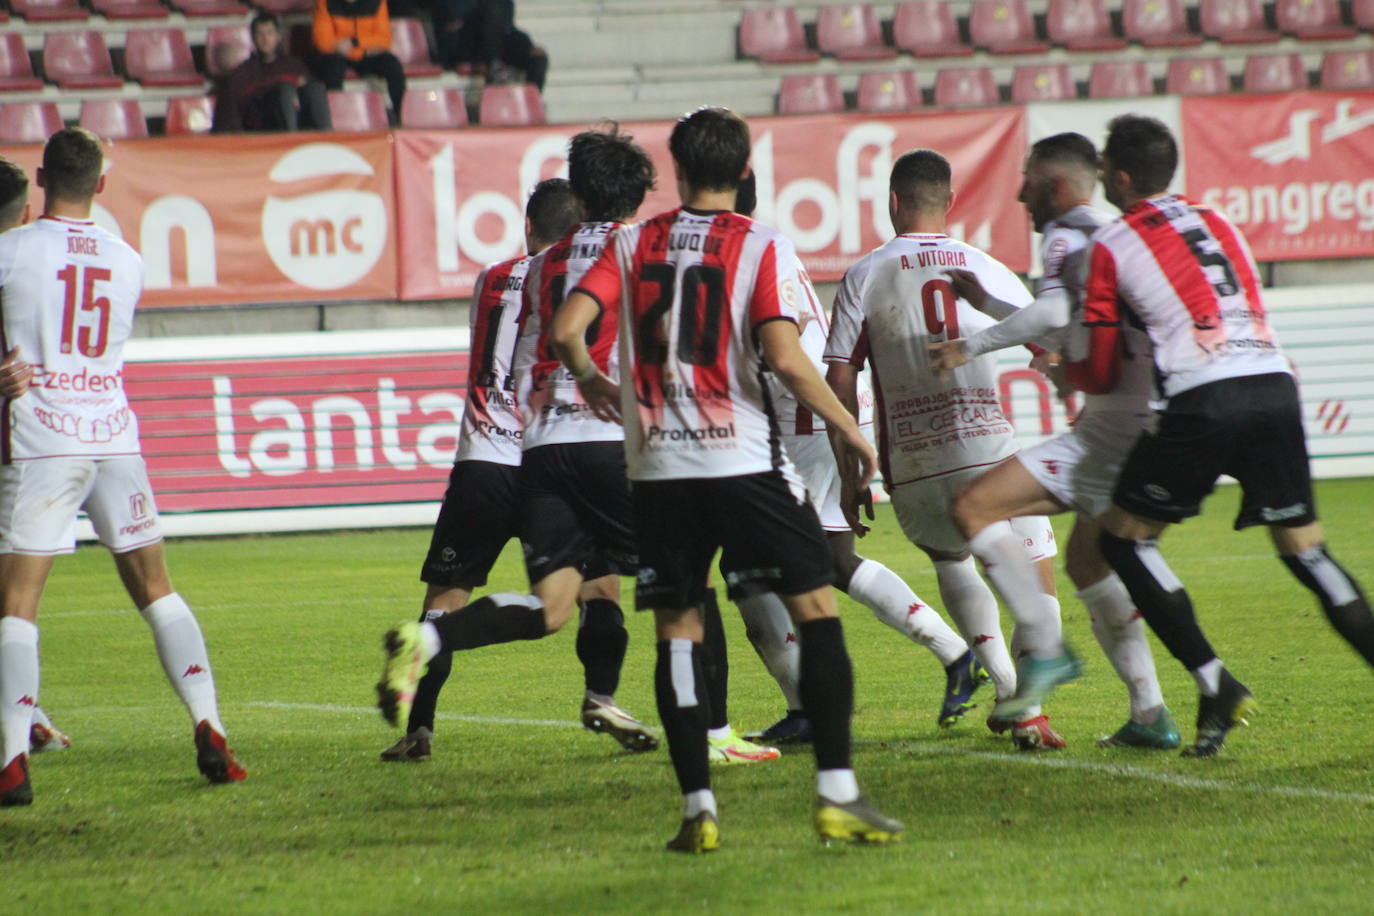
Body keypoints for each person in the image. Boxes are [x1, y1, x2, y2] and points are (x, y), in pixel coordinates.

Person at [559, 107, 903, 851]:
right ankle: (838, 794)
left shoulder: (631, 242)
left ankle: (698, 811)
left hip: (656, 470)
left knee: (678, 631)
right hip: (742, 460)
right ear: (744, 172)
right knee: (816, 607)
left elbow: (565, 331)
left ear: (676, 172)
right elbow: (783, 356)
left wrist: (592, 381)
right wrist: (849, 430)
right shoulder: (760, 242)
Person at [1070, 114, 1374, 757]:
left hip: (1204, 396)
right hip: (1271, 382)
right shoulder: (1222, 220)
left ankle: (1216, 684)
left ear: (1120, 178)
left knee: (1122, 541)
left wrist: (1067, 365)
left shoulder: (1111, 245)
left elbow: (1098, 371)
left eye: (1104, 172)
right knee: (1306, 552)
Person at [375, 127, 669, 756]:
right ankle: (618, 702)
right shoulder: (618, 257)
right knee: (621, 585)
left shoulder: (504, 276)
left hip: (500, 454)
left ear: (529, 224)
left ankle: (419, 727)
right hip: (581, 443)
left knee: (456, 598)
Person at [0, 129, 246, 807]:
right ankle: (210, 722)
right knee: (157, 588)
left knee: (17, 601)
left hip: (45, 436)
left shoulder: (10, 250)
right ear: (102, 185)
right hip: (115, 434)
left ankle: (12, 759)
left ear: (42, 178)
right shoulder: (128, 259)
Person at [930, 132, 1178, 748]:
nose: (1018, 193)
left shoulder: (1065, 232)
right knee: (1093, 562)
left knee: (974, 506)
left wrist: (972, 343)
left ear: (1057, 187)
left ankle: (1044, 647)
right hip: (1146, 422)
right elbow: (1066, 316)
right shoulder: (1108, 233)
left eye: (1029, 181)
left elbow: (1048, 315)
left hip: (1111, 430)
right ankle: (1151, 713)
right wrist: (984, 301)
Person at [727, 174, 988, 746]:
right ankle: (954, 657)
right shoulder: (766, 243)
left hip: (804, 419)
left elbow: (783, 340)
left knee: (755, 567)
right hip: (816, 415)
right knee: (818, 558)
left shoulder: (737, 249)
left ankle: (809, 709)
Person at [824, 149, 1067, 751]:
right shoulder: (984, 266)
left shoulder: (865, 275)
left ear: (892, 201)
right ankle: (1026, 704)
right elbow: (1051, 348)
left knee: (951, 561)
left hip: (913, 462)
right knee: (1037, 583)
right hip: (991, 455)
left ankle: (1008, 689)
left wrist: (851, 469)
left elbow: (838, 377)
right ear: (949, 203)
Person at [379, 178, 596, 761]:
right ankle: (602, 696)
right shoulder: (576, 284)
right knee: (585, 590)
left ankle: (418, 731)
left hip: (481, 461)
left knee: (443, 596)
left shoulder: (490, 278)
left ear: (528, 228)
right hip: (546, 459)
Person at [0, 156, 74, 760]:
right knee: (13, 602)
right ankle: (20, 726)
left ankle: (26, 718)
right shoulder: (36, 265)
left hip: (21, 454)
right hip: (21, 454)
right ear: (25, 213)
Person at [213, 13, 332, 134]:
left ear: (278, 36)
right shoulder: (241, 74)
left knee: (314, 88)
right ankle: (289, 141)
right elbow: (229, 118)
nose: (265, 39)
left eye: (270, 33)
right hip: (263, 131)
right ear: (253, 38)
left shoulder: (295, 67)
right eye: (260, 34)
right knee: (285, 89)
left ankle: (329, 141)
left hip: (299, 124)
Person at [312, 0, 407, 123]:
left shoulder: (377, 2)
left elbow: (384, 39)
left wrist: (355, 43)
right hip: (338, 55)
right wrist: (359, 49)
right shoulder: (324, 3)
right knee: (333, 67)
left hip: (364, 54)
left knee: (393, 65)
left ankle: (401, 116)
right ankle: (335, 118)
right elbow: (322, 42)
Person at [432, 0, 549, 90]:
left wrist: (526, 45)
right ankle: (494, 66)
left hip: (494, 43)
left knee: (537, 57)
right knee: (493, 5)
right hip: (462, 45)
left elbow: (507, 28)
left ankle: (530, 103)